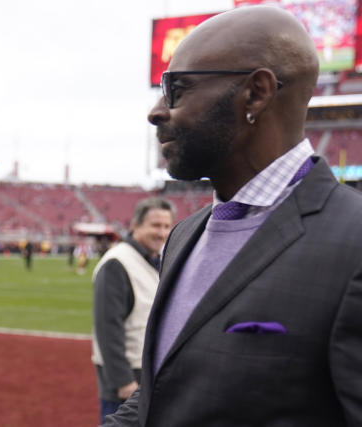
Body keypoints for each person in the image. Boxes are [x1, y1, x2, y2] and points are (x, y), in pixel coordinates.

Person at [103, 6, 362, 426]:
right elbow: (161, 400)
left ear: (256, 93)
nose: (155, 111)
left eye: (178, 89)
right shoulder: (185, 235)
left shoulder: (352, 243)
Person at [92, 198, 174, 423]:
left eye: (167, 226)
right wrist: (124, 382)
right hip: (127, 383)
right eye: (155, 225)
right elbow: (108, 328)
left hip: (147, 374)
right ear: (136, 225)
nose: (162, 232)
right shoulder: (117, 263)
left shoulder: (153, 259)